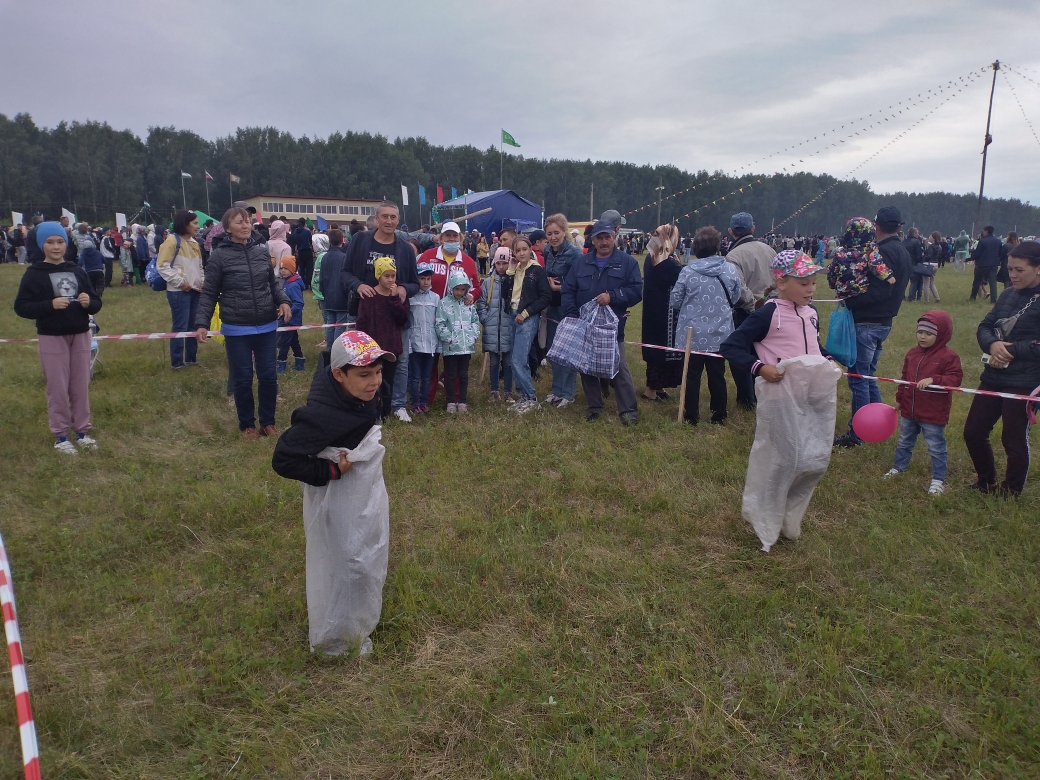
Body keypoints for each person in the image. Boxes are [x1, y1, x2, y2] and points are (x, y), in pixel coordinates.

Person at [270, 329, 392, 656]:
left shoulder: (361, 395)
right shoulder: (323, 417)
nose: (375, 382)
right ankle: (337, 637)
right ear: (338, 374)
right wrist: (330, 471)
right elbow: (283, 459)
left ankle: (356, 617)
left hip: (362, 492)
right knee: (348, 558)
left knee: (366, 551)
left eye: (378, 372)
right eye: (364, 375)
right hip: (339, 498)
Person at [719, 250, 834, 553]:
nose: (811, 289)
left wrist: (826, 359)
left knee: (813, 460)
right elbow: (731, 346)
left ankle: (789, 515)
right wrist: (760, 368)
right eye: (804, 283)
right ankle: (765, 515)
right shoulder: (768, 314)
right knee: (786, 460)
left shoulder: (811, 313)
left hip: (811, 398)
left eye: (813, 283)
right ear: (781, 282)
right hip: (781, 399)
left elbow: (813, 345)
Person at [195, 206, 293, 439]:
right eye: (239, 222)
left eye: (247, 221)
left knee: (268, 377)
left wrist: (284, 301)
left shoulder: (261, 252)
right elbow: (209, 293)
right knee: (243, 379)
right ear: (228, 228)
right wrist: (202, 323)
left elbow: (272, 284)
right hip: (237, 327)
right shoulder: (219, 256)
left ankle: (268, 423)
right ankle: (247, 425)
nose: (246, 225)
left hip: (266, 325)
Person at [13, 222, 103, 454]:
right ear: (41, 245)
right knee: (57, 387)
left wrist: (89, 303)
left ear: (66, 244)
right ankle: (61, 436)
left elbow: (96, 301)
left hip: (80, 335)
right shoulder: (34, 274)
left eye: (60, 241)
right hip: (52, 336)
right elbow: (21, 307)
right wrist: (49, 305)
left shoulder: (77, 270)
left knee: (80, 385)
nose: (56, 247)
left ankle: (82, 431)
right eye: (50, 242)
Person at [963, 241, 1040, 498]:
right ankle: (987, 481)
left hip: (1025, 381)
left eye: (1019, 270)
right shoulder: (1007, 295)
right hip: (994, 375)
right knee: (973, 431)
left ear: (1038, 268)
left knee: (1013, 438)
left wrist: (1011, 350)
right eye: (1009, 269)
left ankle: (1011, 490)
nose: (1012, 275)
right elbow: (985, 326)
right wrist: (992, 344)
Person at [834, 206, 912, 448]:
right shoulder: (902, 249)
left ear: (876, 226)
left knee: (858, 378)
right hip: (883, 322)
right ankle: (877, 423)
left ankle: (858, 433)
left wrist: (849, 300)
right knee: (868, 376)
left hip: (868, 321)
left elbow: (880, 291)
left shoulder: (883, 252)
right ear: (900, 227)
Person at [342, 201, 419, 422]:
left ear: (398, 220)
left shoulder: (405, 249)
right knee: (364, 360)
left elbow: (414, 283)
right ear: (376, 219)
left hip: (396, 314)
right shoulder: (360, 241)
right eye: (384, 216)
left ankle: (397, 405)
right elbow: (345, 273)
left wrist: (404, 289)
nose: (389, 221)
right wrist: (358, 285)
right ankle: (363, 403)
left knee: (400, 361)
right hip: (367, 313)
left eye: (393, 217)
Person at [561, 219, 643, 425]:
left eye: (608, 237)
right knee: (586, 365)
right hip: (584, 325)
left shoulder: (627, 263)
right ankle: (594, 407)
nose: (604, 242)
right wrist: (572, 314)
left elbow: (636, 291)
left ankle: (629, 412)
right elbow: (568, 290)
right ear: (593, 240)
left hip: (612, 327)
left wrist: (613, 296)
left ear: (614, 238)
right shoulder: (581, 263)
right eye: (600, 238)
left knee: (619, 367)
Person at [882, 311, 962, 496]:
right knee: (904, 441)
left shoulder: (949, 356)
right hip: (909, 410)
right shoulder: (912, 354)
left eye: (928, 333)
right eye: (920, 332)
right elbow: (904, 378)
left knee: (935, 446)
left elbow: (955, 379)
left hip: (932, 413)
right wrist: (900, 399)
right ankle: (898, 467)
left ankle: (938, 479)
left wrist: (934, 379)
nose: (922, 336)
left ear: (941, 335)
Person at [670, 226, 743, 425]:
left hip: (692, 334)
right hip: (720, 332)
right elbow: (736, 296)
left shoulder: (687, 272)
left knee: (691, 375)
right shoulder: (730, 269)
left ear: (695, 247)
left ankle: (691, 416)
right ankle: (719, 414)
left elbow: (675, 301)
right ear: (717, 246)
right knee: (717, 374)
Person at [415, 221, 480, 406]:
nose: (451, 239)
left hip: (456, 319)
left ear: (460, 238)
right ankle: (427, 397)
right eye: (447, 236)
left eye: (454, 236)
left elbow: (476, 287)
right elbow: (415, 278)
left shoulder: (467, 262)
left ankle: (456, 398)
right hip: (429, 314)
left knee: (455, 361)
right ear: (441, 238)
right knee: (431, 358)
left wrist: (471, 296)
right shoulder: (427, 256)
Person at [724, 212, 776, 409]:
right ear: (752, 228)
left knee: (742, 355)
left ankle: (747, 398)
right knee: (766, 353)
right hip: (771, 309)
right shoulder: (770, 250)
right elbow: (778, 280)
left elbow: (739, 288)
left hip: (747, 312)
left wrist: (754, 308)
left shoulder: (732, 256)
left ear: (731, 231)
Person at [355, 257, 409, 419]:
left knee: (388, 381)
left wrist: (394, 299)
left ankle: (385, 412)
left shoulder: (396, 297)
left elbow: (402, 319)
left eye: (393, 276)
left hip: (392, 347)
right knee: (373, 381)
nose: (391, 280)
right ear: (378, 276)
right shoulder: (370, 296)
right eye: (387, 276)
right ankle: (372, 411)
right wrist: (363, 346)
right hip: (374, 348)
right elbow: (362, 322)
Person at [505, 235, 551, 413]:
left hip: (527, 317)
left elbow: (545, 297)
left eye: (524, 249)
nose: (521, 253)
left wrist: (525, 313)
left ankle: (531, 397)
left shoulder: (537, 270)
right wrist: (510, 271)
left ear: (531, 249)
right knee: (514, 358)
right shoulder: (515, 269)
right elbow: (506, 293)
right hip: (512, 314)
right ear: (514, 252)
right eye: (518, 250)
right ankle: (523, 396)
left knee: (519, 359)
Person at [542, 213, 582, 408]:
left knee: (567, 351)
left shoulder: (574, 253)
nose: (553, 237)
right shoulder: (547, 251)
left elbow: (581, 281)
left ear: (564, 232)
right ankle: (557, 390)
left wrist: (561, 287)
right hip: (551, 305)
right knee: (553, 350)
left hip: (568, 307)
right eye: (549, 233)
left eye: (556, 232)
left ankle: (568, 393)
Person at [640, 224, 683, 402]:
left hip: (654, 311)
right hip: (663, 315)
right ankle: (650, 391)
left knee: (657, 351)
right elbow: (682, 275)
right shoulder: (666, 263)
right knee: (660, 352)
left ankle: (658, 387)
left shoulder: (652, 257)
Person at [158, 210, 205, 369]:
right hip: (179, 292)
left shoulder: (195, 243)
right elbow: (162, 266)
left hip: (195, 291)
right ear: (185, 224)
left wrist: (202, 281)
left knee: (193, 326)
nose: (198, 226)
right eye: (195, 223)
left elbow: (199, 267)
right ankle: (177, 362)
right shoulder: (171, 241)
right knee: (180, 327)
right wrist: (180, 282)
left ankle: (191, 359)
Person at [434, 269, 480, 413]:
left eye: (462, 289)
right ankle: (451, 401)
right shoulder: (444, 303)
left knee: (463, 374)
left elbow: (475, 321)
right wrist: (450, 338)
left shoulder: (468, 304)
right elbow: (440, 324)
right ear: (451, 288)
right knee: (450, 375)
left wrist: (472, 336)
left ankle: (462, 401)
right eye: (457, 289)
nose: (459, 292)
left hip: (466, 347)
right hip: (451, 347)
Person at [826, 217, 895, 300]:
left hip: (842, 291)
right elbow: (875, 263)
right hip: (859, 290)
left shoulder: (840, 253)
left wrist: (832, 283)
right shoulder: (869, 250)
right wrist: (887, 276)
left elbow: (832, 271)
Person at [477, 248, 514, 401]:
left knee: (508, 362)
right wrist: (485, 319)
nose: (501, 267)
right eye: (498, 263)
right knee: (493, 361)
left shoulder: (514, 281)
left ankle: (508, 391)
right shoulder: (488, 282)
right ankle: (494, 390)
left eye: (505, 263)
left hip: (508, 327)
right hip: (492, 328)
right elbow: (481, 302)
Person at [407, 263, 440, 414]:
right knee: (414, 376)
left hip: (430, 343)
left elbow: (438, 321)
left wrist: (438, 344)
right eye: (422, 278)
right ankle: (414, 403)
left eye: (428, 278)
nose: (426, 282)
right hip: (414, 343)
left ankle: (424, 402)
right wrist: (408, 344)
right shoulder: (410, 298)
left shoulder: (436, 298)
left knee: (427, 376)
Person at [276, 256, 306, 374]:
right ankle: (300, 363)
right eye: (281, 268)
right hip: (287, 320)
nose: (283, 271)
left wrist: (287, 312)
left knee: (283, 343)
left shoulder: (293, 285)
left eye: (286, 268)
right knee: (294, 341)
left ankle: (280, 364)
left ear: (292, 269)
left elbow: (299, 303)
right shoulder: (286, 282)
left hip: (290, 320)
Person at [970, 226, 1002, 303]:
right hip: (994, 264)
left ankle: (973, 297)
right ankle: (993, 299)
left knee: (977, 281)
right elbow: (1000, 253)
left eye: (983, 231)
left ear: (986, 231)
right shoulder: (998, 241)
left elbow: (977, 253)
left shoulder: (982, 241)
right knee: (993, 282)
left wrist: (969, 258)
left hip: (982, 264)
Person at [920, 232, 943, 303]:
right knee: (931, 282)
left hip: (929, 264)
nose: (929, 237)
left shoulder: (931, 246)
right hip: (935, 264)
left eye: (930, 236)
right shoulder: (939, 246)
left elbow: (929, 256)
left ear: (933, 238)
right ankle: (937, 298)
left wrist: (923, 257)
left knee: (926, 283)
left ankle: (926, 300)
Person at [903, 227, 925, 301]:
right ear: (914, 233)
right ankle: (911, 296)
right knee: (914, 281)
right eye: (917, 233)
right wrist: (920, 261)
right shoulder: (917, 242)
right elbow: (918, 255)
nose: (918, 234)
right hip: (914, 263)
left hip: (905, 263)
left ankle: (902, 295)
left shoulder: (904, 241)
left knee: (904, 281)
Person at [293, 218, 314, 289]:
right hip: (307, 251)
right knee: (309, 269)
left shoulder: (295, 232)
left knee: (301, 268)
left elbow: (295, 242)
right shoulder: (307, 232)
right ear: (304, 223)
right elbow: (310, 242)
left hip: (300, 251)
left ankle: (303, 284)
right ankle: (309, 284)